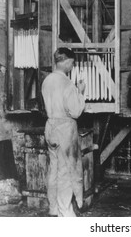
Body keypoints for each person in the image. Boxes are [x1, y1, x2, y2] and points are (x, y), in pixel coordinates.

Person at [41, 48, 86, 217]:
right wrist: (80, 92)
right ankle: (65, 212)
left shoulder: (47, 80)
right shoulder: (67, 83)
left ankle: (53, 208)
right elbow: (75, 112)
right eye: (72, 63)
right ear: (67, 62)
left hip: (50, 126)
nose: (72, 66)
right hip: (64, 129)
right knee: (66, 171)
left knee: (53, 170)